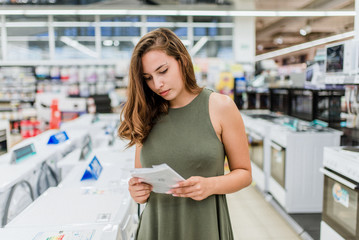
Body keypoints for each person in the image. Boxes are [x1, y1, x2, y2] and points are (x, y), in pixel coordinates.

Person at [118, 28, 251, 240]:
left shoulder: (220, 107)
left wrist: (211, 185)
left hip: (204, 227)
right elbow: (142, 179)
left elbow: (244, 173)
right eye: (148, 78)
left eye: (163, 71)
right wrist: (137, 192)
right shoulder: (146, 114)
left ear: (182, 61)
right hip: (156, 228)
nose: (157, 84)